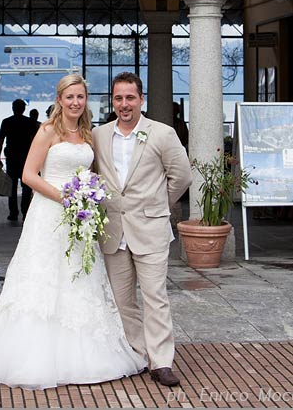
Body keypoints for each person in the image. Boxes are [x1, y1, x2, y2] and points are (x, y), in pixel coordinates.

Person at [0, 74, 145, 388]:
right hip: (49, 214)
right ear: (59, 100)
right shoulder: (47, 131)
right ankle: (35, 352)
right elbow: (29, 175)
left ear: (86, 100)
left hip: (79, 217)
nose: (74, 102)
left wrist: (88, 197)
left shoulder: (88, 134)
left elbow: (94, 172)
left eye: (80, 97)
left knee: (78, 278)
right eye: (69, 97)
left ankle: (84, 350)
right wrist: (66, 198)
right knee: (45, 279)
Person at [92, 72, 192, 387]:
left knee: (155, 297)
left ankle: (162, 362)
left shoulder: (161, 133)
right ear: (112, 100)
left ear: (141, 99)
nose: (124, 104)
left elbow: (182, 176)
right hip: (113, 231)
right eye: (119, 98)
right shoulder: (98, 135)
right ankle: (139, 354)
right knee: (122, 300)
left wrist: (157, 204)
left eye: (130, 98)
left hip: (150, 229)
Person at [0, 99, 37, 221]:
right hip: (26, 158)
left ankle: (13, 213)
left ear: (13, 108)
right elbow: (34, 141)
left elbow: (1, 141)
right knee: (27, 186)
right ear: (24, 109)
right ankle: (25, 211)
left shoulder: (7, 122)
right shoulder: (29, 122)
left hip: (11, 157)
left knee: (11, 186)